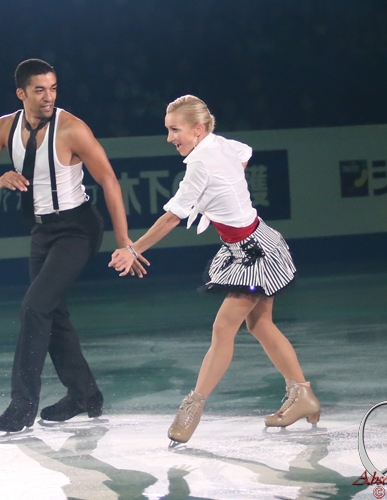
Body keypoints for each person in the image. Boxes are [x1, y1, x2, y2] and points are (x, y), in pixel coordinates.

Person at [109, 95, 320, 445]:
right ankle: (303, 394)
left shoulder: (200, 164)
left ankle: (193, 408)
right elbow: (244, 152)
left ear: (198, 129)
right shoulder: (219, 145)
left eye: (175, 130)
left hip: (254, 254)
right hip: (255, 242)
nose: (169, 138)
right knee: (260, 324)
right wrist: (228, 189)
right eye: (168, 130)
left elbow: (172, 218)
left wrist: (133, 250)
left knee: (224, 328)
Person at [0, 59, 147, 433]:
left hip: (77, 229)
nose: (49, 97)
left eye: (53, 88)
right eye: (39, 90)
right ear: (21, 93)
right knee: (52, 313)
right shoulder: (3, 127)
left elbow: (109, 182)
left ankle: (22, 405)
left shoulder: (72, 129)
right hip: (41, 231)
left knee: (34, 307)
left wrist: (124, 243)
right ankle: (84, 394)